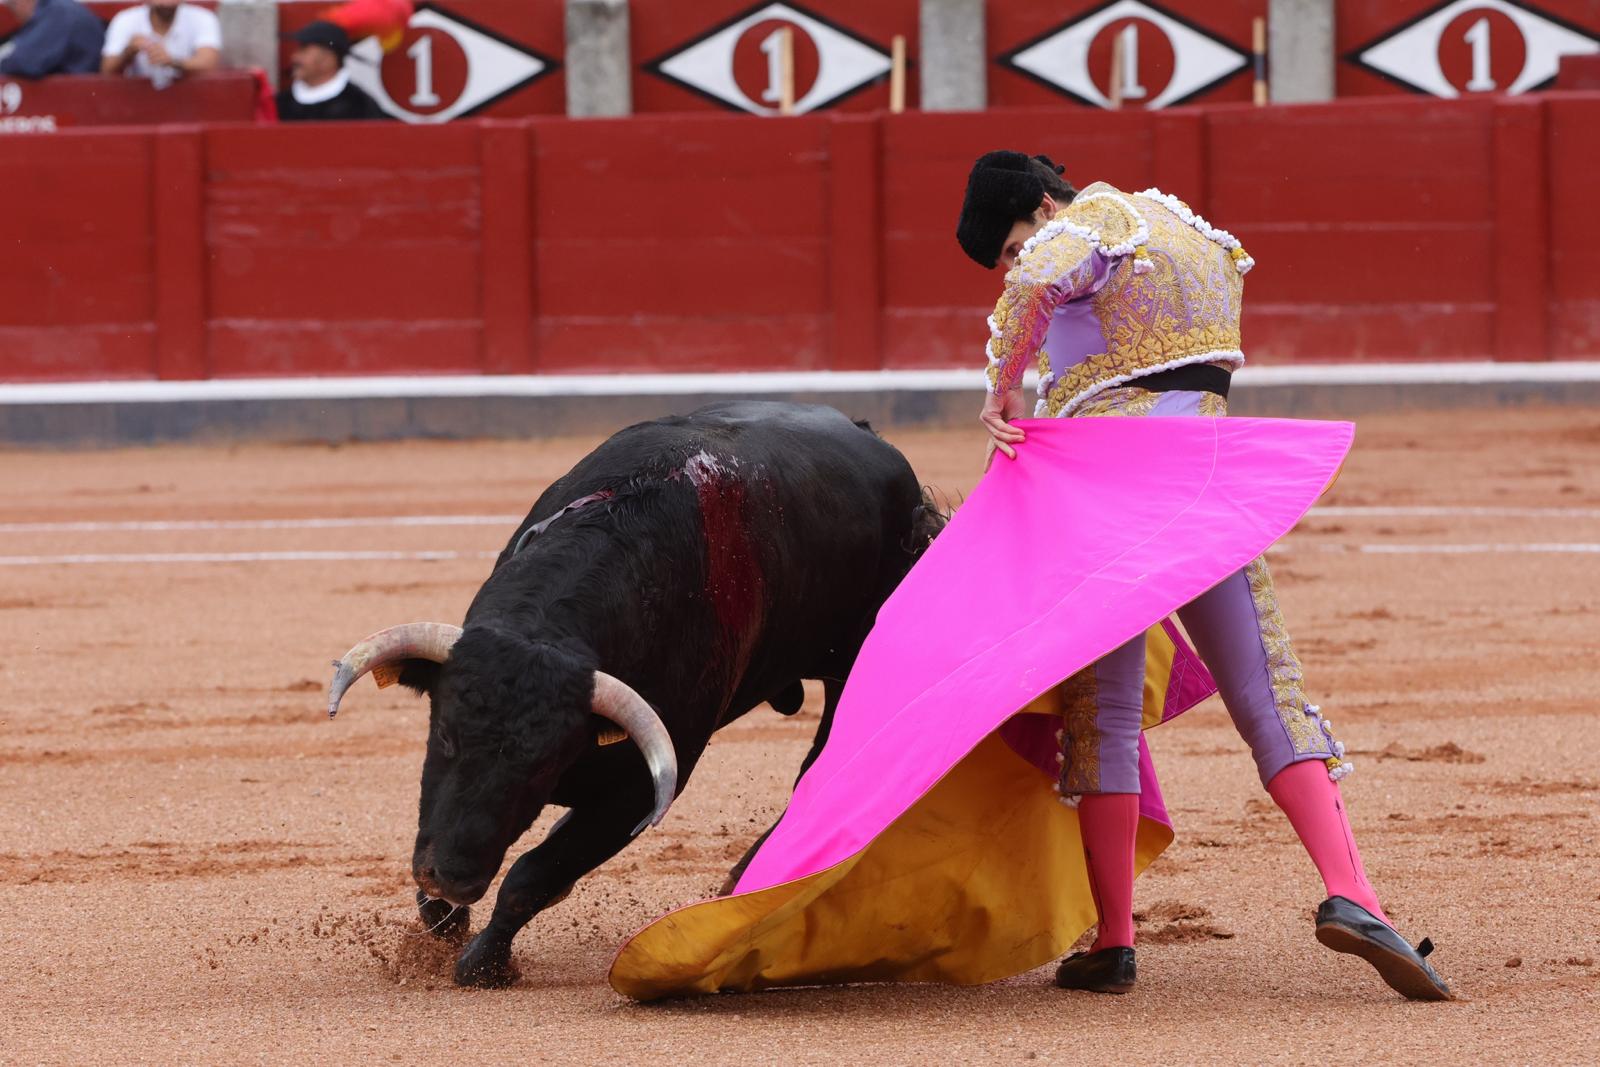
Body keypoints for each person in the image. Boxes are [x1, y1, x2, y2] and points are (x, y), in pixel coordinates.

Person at [956, 150, 1450, 999]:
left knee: (1102, 710)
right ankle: (1353, 892)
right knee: (1269, 689)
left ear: (1041, 205)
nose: (1007, 266)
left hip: (1113, 483)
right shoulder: (1190, 230)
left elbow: (1039, 279)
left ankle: (1114, 938)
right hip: (1206, 475)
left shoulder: (1087, 224)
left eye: (1004, 246)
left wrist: (1003, 393)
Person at [274, 20, 386, 122]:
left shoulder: (360, 106)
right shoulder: (280, 103)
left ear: (329, 59)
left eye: (304, 50)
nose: (294, 57)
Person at [101, 1, 219, 90]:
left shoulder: (203, 18)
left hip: (190, 104)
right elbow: (106, 70)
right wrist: (129, 52)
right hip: (136, 103)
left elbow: (209, 64)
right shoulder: (125, 19)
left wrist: (172, 61)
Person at [0, 0, 105, 78]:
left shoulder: (59, 13)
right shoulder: (59, 10)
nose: (15, 14)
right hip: (79, 92)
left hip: (78, 97)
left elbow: (25, 62)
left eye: (12, 5)